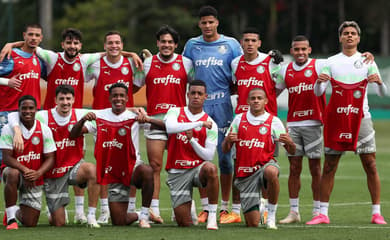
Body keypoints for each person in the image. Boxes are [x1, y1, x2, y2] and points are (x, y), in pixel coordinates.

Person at [307, 21, 388, 225]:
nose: (350, 36)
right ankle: (323, 214)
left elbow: (383, 93)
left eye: (353, 33)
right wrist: (319, 81)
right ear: (340, 38)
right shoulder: (331, 62)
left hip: (362, 119)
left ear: (358, 38)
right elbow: (318, 92)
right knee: (330, 165)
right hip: (337, 119)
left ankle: (376, 213)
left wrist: (380, 83)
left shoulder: (368, 60)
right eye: (346, 33)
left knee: (370, 164)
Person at [8, 85, 101, 227]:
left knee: (92, 170)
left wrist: (134, 110)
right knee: (54, 222)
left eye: (68, 98)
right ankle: (17, 212)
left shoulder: (81, 114)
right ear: (55, 100)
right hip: (45, 171)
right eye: (61, 99)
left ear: (74, 99)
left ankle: (91, 217)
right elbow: (14, 115)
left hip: (71, 169)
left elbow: (111, 113)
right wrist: (17, 130)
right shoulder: (43, 116)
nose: (65, 102)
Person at [182, 5, 243, 223]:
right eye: (203, 22)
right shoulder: (192, 45)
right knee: (200, 158)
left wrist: (225, 94)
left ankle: (226, 208)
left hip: (223, 106)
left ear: (217, 23)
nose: (207, 26)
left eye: (211, 22)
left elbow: (240, 75)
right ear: (199, 24)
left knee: (226, 158)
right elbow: (185, 75)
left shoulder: (232, 45)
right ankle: (207, 208)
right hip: (200, 109)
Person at [69, 82, 155, 228]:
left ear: (127, 98)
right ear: (109, 98)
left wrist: (147, 119)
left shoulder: (134, 115)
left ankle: (145, 216)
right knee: (119, 221)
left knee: (147, 171)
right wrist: (83, 119)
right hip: (113, 175)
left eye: (122, 95)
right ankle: (140, 214)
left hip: (132, 169)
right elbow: (73, 135)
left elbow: (164, 127)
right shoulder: (99, 116)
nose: (118, 98)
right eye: (115, 95)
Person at [225, 27, 283, 224]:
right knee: (237, 164)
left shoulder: (270, 61)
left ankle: (265, 207)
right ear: (241, 43)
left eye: (253, 40)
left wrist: (267, 106)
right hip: (242, 121)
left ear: (259, 43)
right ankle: (235, 211)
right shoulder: (235, 63)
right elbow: (235, 86)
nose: (249, 43)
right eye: (246, 40)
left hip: (266, 123)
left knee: (267, 167)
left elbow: (280, 86)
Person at [86, 31, 143, 224]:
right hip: (102, 122)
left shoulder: (130, 64)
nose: (114, 46)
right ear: (104, 46)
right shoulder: (96, 64)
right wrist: (129, 52)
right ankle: (104, 209)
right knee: (103, 165)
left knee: (130, 162)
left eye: (117, 43)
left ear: (122, 44)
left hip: (125, 121)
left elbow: (136, 86)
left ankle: (132, 207)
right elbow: (82, 66)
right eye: (110, 43)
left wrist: (130, 55)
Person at [146, 80, 219, 229]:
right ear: (187, 95)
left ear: (206, 96)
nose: (196, 96)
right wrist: (198, 124)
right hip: (177, 172)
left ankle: (212, 216)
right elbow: (171, 127)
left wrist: (192, 140)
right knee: (184, 224)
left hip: (198, 169)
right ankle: (188, 203)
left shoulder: (211, 123)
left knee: (211, 168)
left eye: (200, 94)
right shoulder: (175, 112)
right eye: (193, 93)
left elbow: (208, 156)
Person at [139, 25, 193, 222]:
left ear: (176, 45)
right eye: (163, 41)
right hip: (154, 120)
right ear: (157, 43)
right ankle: (154, 210)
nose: (166, 45)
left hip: (178, 122)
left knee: (181, 166)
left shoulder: (186, 63)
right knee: (155, 166)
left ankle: (185, 207)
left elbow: (196, 87)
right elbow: (135, 84)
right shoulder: (147, 63)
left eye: (170, 42)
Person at [222, 88, 296, 229]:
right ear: (248, 101)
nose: (256, 100)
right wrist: (227, 141)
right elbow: (225, 149)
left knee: (271, 172)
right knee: (253, 223)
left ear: (265, 101)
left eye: (259, 98)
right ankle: (260, 208)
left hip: (264, 165)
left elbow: (291, 150)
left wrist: (290, 142)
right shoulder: (238, 119)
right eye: (253, 98)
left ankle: (271, 216)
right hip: (245, 173)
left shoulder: (274, 121)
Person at [275, 35, 326, 223]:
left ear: (309, 50)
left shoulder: (319, 66)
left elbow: (342, 62)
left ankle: (317, 210)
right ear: (292, 51)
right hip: (294, 125)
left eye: (304, 49)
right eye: (297, 49)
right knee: (294, 168)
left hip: (313, 124)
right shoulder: (285, 70)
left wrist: (366, 57)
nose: (300, 53)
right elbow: (274, 93)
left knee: (315, 169)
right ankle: (294, 212)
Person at [0, 95, 56, 229]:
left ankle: (17, 212)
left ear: (36, 110)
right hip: (17, 173)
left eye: (31, 108)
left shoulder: (44, 129)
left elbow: (51, 158)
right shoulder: (9, 129)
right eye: (24, 108)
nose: (27, 111)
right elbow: (6, 158)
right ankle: (11, 218)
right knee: (12, 173)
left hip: (34, 176)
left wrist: (38, 173)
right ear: (18, 110)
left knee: (30, 222)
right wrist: (24, 170)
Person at [0, 23, 46, 166]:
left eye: (37, 35)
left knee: (28, 156)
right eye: (30, 34)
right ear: (24, 35)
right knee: (4, 157)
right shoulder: (10, 55)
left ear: (41, 38)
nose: (33, 38)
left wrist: (12, 43)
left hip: (32, 114)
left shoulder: (40, 60)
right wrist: (8, 82)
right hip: (8, 112)